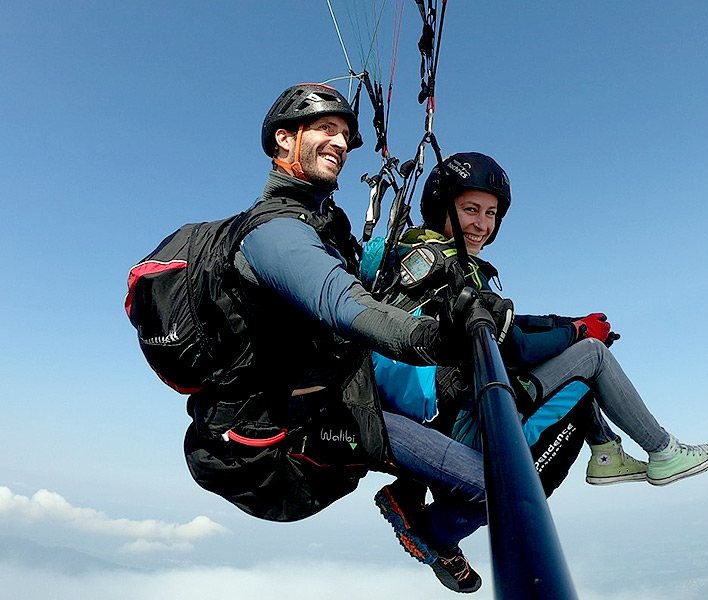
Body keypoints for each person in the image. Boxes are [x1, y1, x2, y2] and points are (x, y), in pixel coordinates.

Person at [167, 84, 492, 593]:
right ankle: (423, 527)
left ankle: (413, 494)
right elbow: (345, 305)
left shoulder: (324, 223)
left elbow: (362, 282)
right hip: (279, 447)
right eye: (325, 129)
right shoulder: (275, 233)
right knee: (487, 485)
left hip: (331, 402)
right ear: (283, 140)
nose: (340, 143)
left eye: (344, 134)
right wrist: (445, 336)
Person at [367, 152, 708, 569]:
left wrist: (566, 323)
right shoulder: (448, 271)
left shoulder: (415, 257)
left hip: (424, 417)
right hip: (455, 422)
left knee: (574, 367)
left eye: (491, 213)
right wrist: (578, 333)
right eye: (469, 209)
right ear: (440, 205)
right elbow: (511, 343)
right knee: (588, 361)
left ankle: (606, 450)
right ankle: (662, 452)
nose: (482, 225)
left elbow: (504, 322)